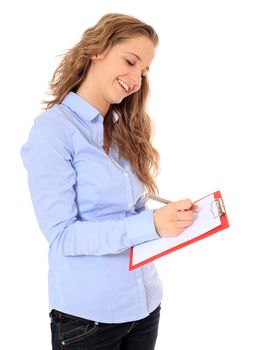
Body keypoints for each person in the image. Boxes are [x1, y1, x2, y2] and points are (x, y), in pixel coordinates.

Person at [20, 13, 196, 350]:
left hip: (145, 306)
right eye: (130, 61)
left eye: (143, 71)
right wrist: (152, 225)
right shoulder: (52, 131)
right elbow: (62, 235)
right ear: (97, 50)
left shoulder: (122, 129)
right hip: (88, 321)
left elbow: (134, 211)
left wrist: (170, 219)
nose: (136, 79)